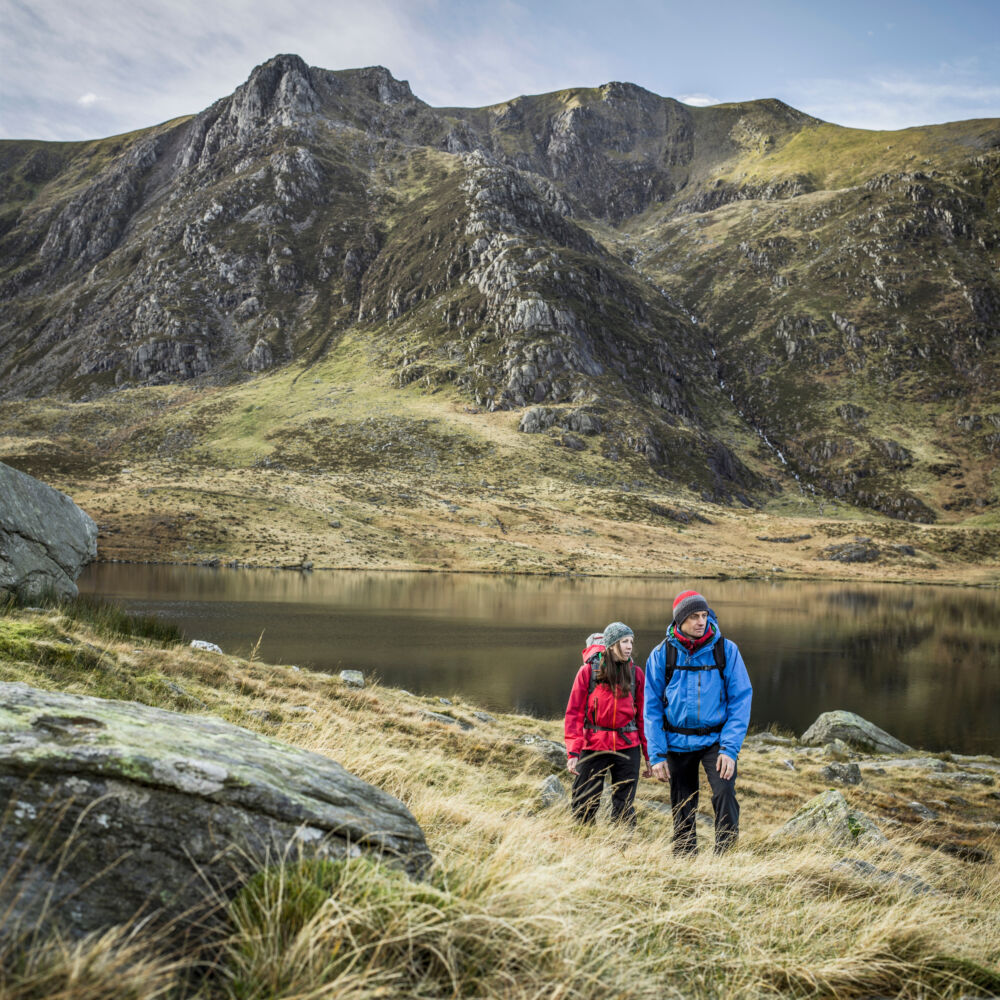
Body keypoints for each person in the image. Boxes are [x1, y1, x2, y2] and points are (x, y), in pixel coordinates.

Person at [643, 591, 752, 854]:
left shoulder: (726, 650)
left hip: (716, 741)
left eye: (704, 615)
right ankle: (684, 860)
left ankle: (725, 857)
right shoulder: (661, 655)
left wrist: (729, 749)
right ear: (680, 620)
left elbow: (740, 700)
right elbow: (652, 708)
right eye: (693, 616)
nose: (701, 622)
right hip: (676, 741)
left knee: (724, 792)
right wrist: (656, 754)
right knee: (682, 803)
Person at [564, 622, 651, 825]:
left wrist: (649, 755)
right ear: (611, 645)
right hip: (593, 745)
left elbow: (644, 718)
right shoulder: (588, 672)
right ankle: (583, 840)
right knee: (584, 801)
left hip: (627, 746)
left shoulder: (636, 674)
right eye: (624, 642)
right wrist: (573, 752)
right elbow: (574, 713)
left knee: (624, 804)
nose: (629, 646)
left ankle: (621, 847)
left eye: (631, 641)